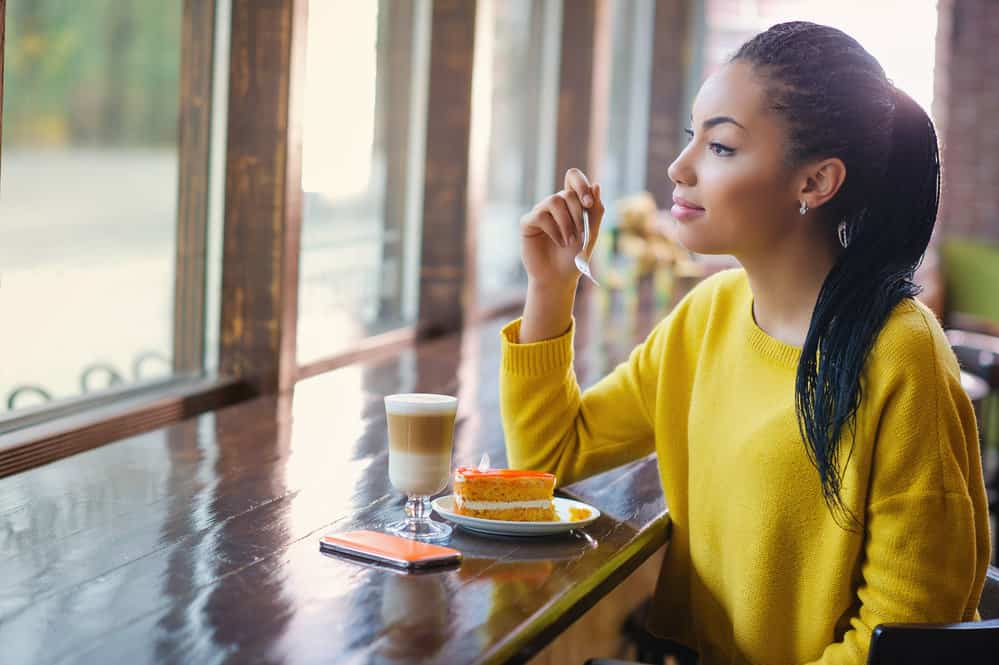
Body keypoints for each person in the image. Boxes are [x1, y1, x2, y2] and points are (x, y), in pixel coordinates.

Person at [499, 21, 991, 665]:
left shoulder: (902, 356)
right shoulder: (709, 313)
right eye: (691, 137)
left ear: (815, 183)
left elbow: (905, 635)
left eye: (722, 147)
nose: (679, 168)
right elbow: (549, 453)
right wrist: (551, 288)